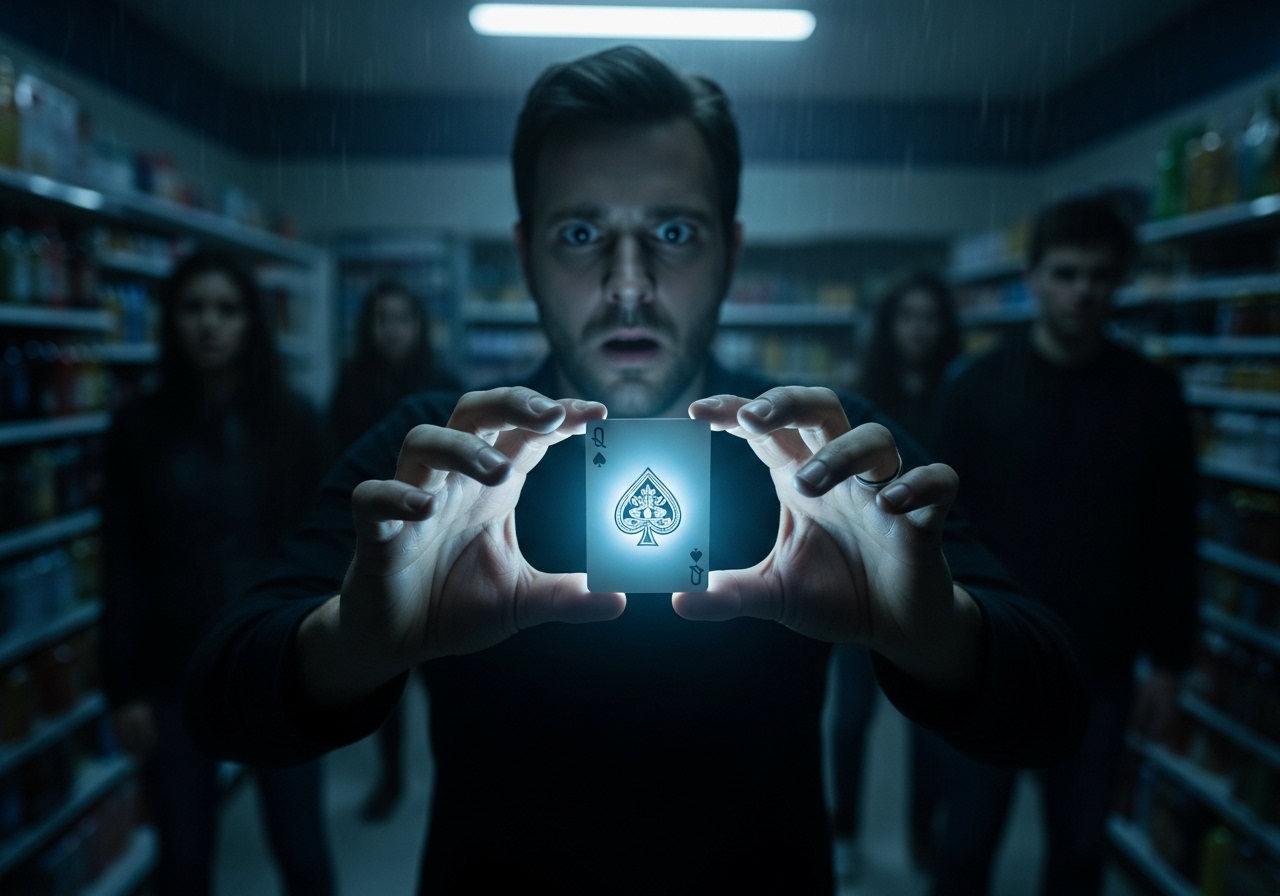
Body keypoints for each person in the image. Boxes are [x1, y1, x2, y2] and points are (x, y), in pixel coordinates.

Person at [183, 47, 1088, 895]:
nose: (627, 283)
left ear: (731, 252)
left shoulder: (820, 454)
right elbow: (218, 697)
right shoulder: (439, 456)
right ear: (527, 251)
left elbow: (1057, 705)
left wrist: (936, 633)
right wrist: (352, 642)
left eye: (673, 232)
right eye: (581, 232)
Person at [928, 197, 1199, 896]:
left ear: (1122, 281)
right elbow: (935, 527)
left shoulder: (1152, 396)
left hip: (1098, 666)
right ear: (1035, 277)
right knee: (962, 847)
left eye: (1100, 276)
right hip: (987, 652)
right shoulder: (976, 389)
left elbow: (1174, 533)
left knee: (1079, 856)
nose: (1083, 290)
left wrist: (1168, 664)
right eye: (1067, 273)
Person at [102, 252, 337, 896]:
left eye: (226, 309)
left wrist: (330, 659)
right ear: (171, 319)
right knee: (183, 859)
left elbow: (319, 548)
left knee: (302, 848)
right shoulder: (136, 429)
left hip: (275, 663)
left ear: (250, 324)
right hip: (173, 668)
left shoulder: (294, 422)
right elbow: (121, 561)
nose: (209, 324)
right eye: (193, 308)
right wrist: (121, 688)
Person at [828, 273, 961, 878]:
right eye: (907, 316)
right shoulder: (861, 397)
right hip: (868, 579)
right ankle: (846, 831)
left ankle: (924, 840)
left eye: (929, 317)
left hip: (939, 578)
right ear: (889, 325)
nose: (918, 329)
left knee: (932, 728)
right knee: (851, 713)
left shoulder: (961, 394)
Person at [330, 280, 456, 821]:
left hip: (438, 546)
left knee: (446, 673)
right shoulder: (350, 389)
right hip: (375, 548)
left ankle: (452, 772)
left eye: (402, 318)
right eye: (382, 318)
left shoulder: (444, 387)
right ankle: (392, 776)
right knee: (384, 672)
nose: (393, 330)